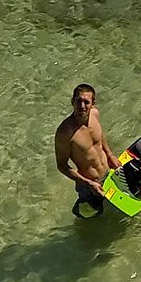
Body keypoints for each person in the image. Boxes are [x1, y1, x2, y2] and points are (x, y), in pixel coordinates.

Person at [54, 83, 118, 216]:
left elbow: (99, 137)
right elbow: (61, 165)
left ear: (93, 104)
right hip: (89, 185)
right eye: (78, 101)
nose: (82, 106)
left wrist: (110, 155)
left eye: (86, 102)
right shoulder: (65, 133)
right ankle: (80, 210)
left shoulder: (95, 114)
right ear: (72, 102)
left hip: (109, 173)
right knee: (93, 218)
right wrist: (89, 183)